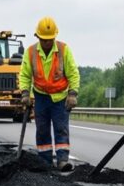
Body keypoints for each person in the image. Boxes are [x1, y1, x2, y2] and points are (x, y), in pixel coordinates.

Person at [19, 16, 80, 172]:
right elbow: (25, 75)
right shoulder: (31, 52)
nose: (47, 42)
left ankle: (62, 160)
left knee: (61, 129)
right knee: (42, 129)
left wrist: (72, 94)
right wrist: (25, 94)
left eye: (50, 39)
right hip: (40, 97)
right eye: (44, 39)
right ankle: (45, 161)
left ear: (54, 37)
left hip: (60, 98)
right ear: (38, 36)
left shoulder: (63, 50)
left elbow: (73, 73)